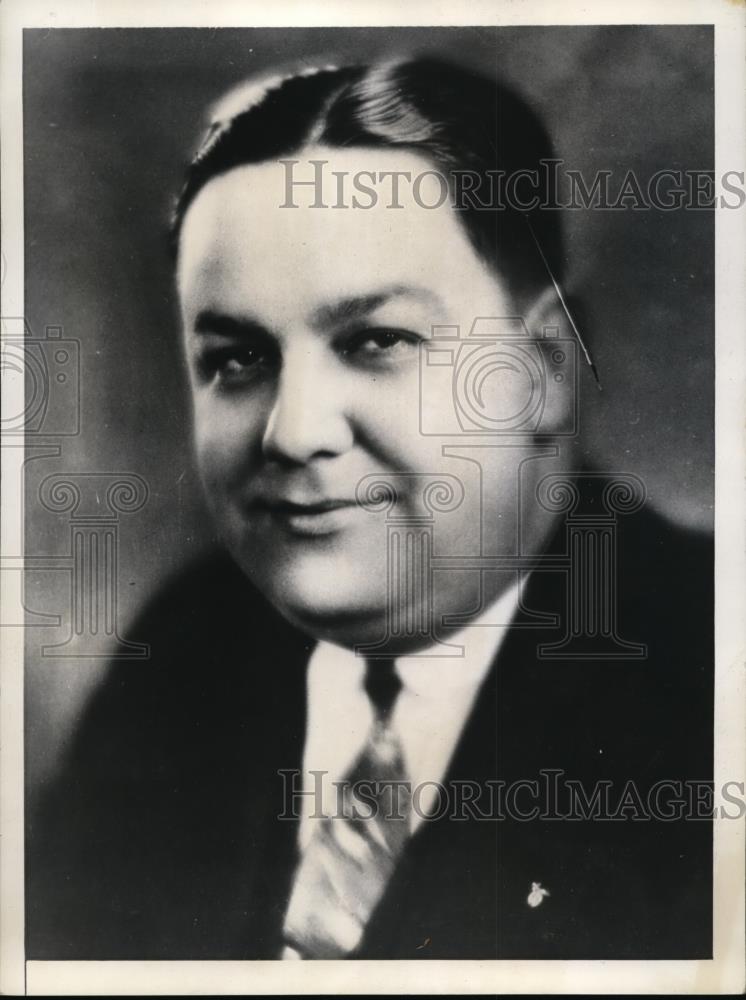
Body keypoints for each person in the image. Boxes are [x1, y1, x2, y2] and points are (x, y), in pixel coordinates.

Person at [26, 56, 713, 961]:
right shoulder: (183, 659)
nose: (294, 432)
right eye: (236, 358)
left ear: (543, 370)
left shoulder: (710, 677)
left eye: (377, 341)